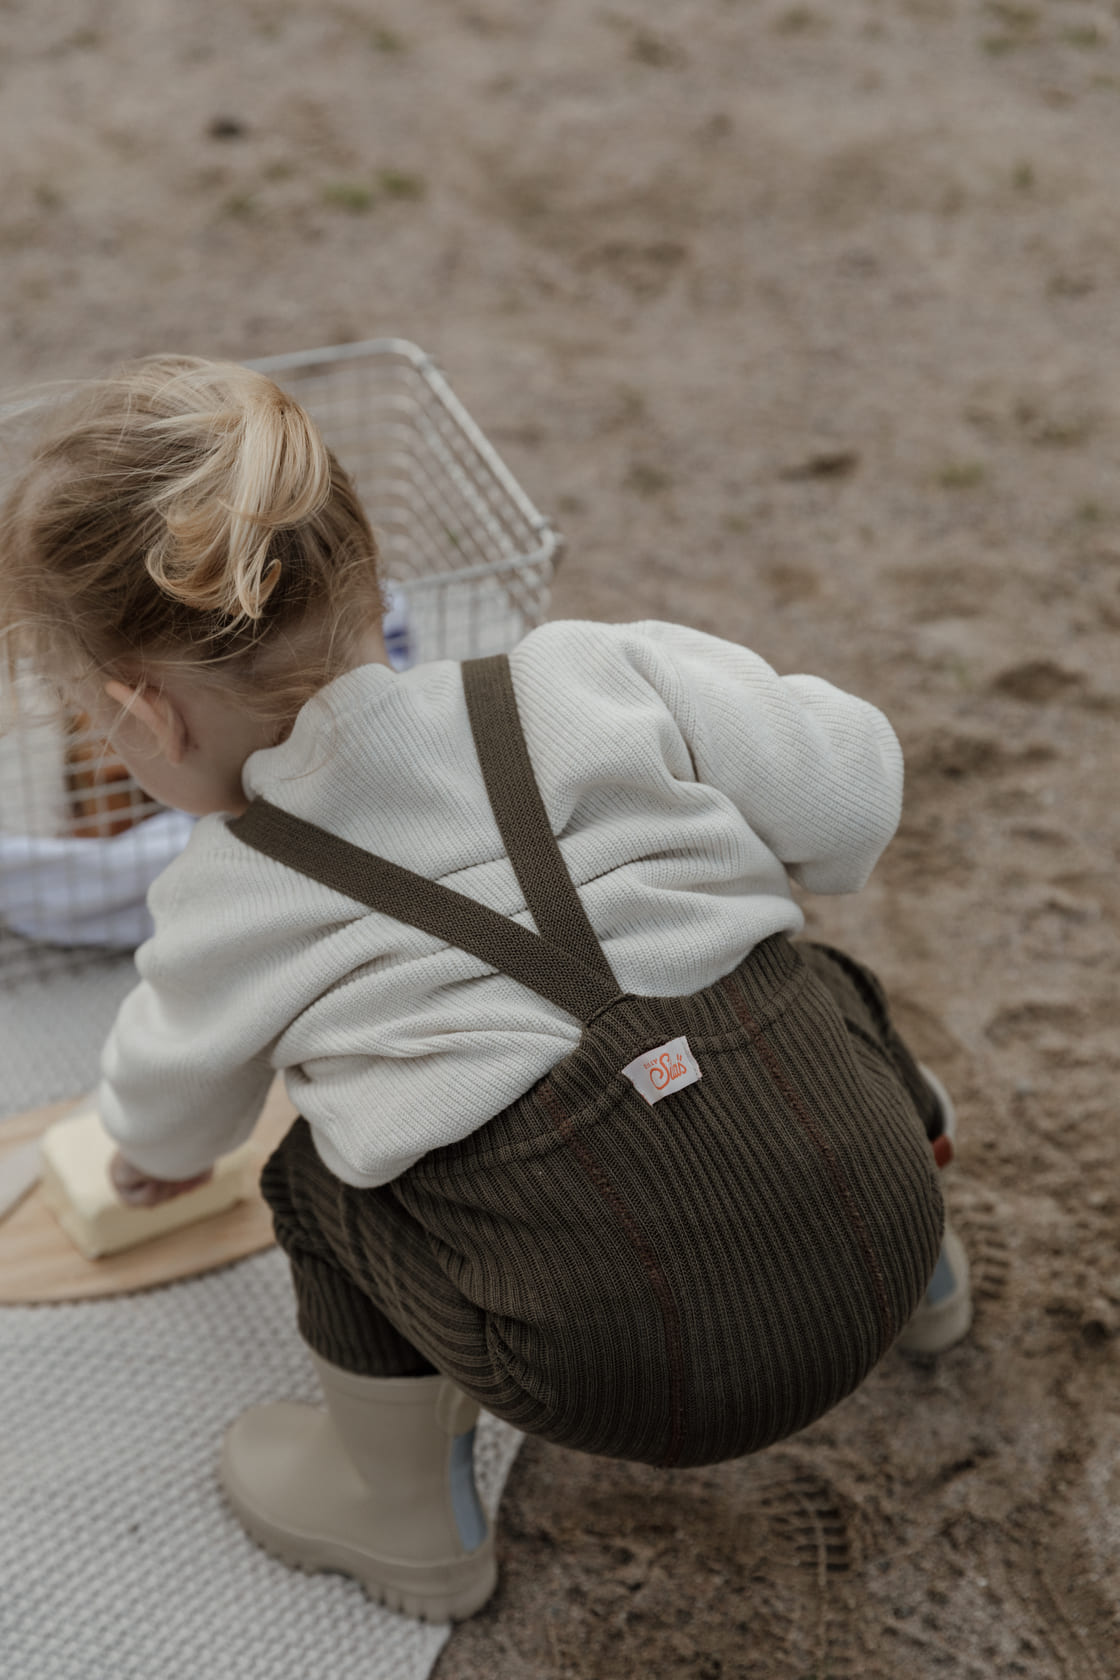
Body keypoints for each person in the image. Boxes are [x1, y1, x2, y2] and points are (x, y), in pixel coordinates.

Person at [0, 355, 971, 1624]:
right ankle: (935, 1285)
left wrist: (146, 1165)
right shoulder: (595, 671)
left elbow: (175, 1095)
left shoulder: (226, 893)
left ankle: (401, 1512)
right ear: (373, 582)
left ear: (145, 719)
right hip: (876, 1215)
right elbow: (850, 794)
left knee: (312, 1180)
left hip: (627, 1381)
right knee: (811, 980)